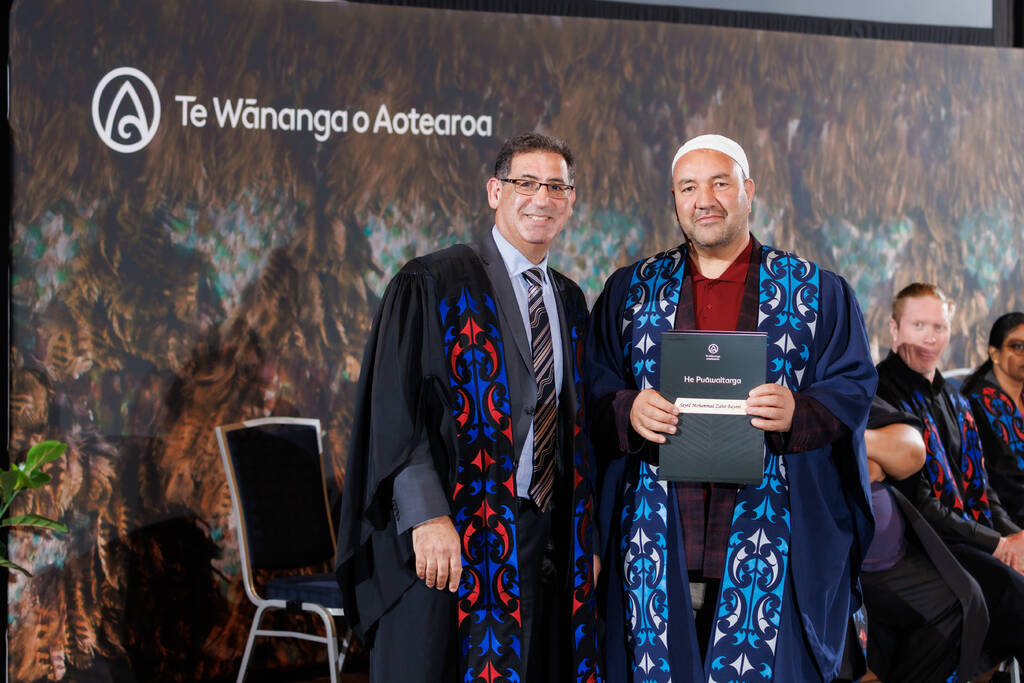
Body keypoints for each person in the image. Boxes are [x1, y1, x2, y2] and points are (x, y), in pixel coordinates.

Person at [584, 133, 876, 682]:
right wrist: (628, 410)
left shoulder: (816, 290)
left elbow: (854, 384)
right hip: (657, 534)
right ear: (674, 199)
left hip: (772, 535)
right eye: (689, 187)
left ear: (749, 191)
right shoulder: (631, 291)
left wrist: (800, 411)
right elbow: (594, 388)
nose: (705, 200)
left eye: (720, 183)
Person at [335, 133, 600, 683]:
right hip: (451, 526)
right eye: (526, 184)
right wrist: (427, 515)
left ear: (571, 201)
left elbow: (581, 429)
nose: (541, 199)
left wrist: (585, 539)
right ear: (494, 191)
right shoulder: (433, 281)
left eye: (556, 187)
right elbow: (396, 412)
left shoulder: (570, 300)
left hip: (537, 531)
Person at [875, 283, 1024, 672]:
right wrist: (999, 544)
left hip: (967, 534)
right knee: (1012, 591)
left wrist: (1015, 539)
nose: (930, 337)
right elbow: (921, 505)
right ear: (894, 329)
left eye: (939, 327)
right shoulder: (878, 392)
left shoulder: (954, 398)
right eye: (918, 325)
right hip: (921, 543)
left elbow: (984, 489)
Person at [859, 395, 987, 682]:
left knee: (963, 602)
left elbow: (912, 451)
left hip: (894, 556)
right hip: (830, 567)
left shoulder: (841, 383)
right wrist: (868, 458)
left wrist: (850, 439)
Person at [962, 312, 1024, 526]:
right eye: (1017, 347)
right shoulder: (977, 405)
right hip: (1004, 520)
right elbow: (1003, 484)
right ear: (994, 354)